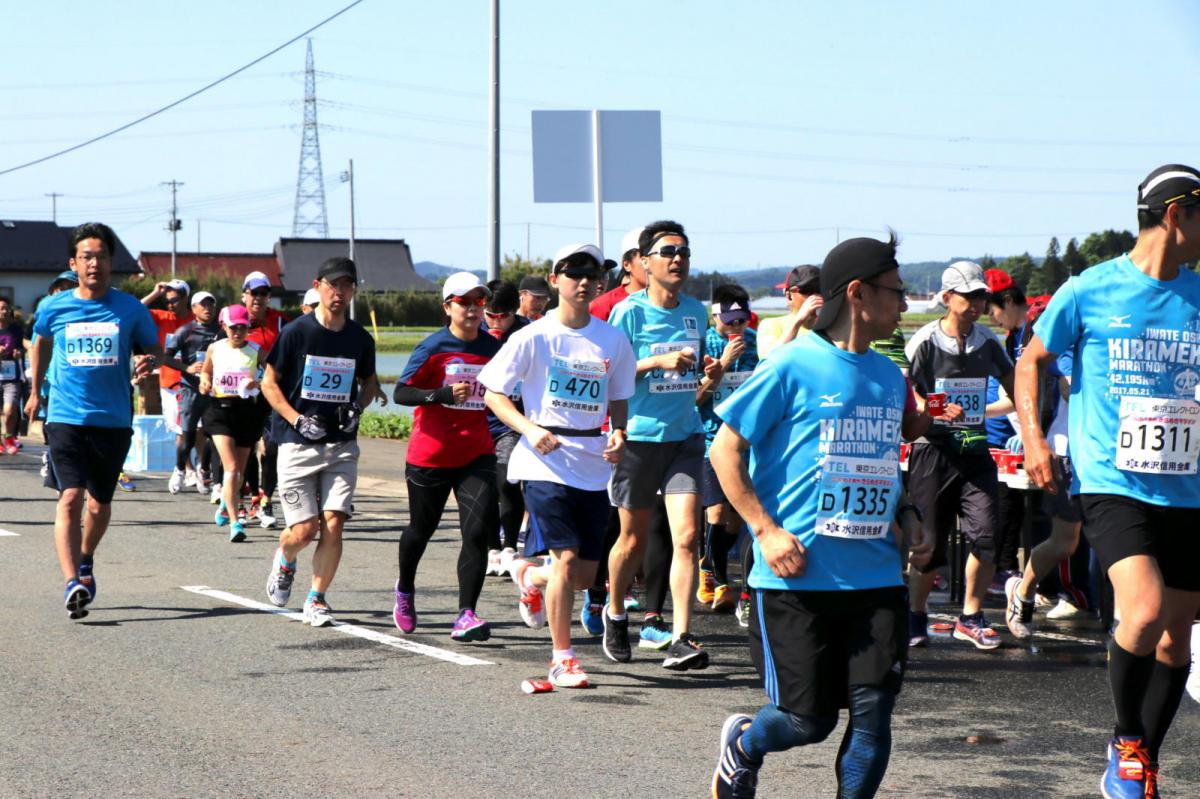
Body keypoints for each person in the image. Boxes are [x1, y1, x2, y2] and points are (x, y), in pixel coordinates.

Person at [708, 234, 930, 799]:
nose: (904, 303)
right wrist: (765, 530)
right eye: (896, 291)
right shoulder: (791, 364)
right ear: (857, 293)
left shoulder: (889, 376)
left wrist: (908, 511)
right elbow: (724, 450)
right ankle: (745, 746)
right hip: (796, 576)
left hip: (876, 576)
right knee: (808, 721)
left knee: (874, 715)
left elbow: (881, 461)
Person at [1015, 164, 1200, 798]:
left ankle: (1144, 758)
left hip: (1188, 486)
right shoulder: (1089, 289)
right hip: (1113, 480)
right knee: (1142, 611)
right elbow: (1032, 361)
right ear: (1175, 215)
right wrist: (1035, 441)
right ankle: (1125, 741)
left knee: (1176, 638)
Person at [479, 243, 636, 688]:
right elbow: (492, 392)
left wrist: (619, 432)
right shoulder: (533, 336)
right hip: (543, 460)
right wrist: (529, 429)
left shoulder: (612, 338)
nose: (583, 281)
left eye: (592, 274)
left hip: (593, 462)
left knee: (583, 575)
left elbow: (619, 395)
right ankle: (562, 658)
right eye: (573, 273)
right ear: (554, 280)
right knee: (566, 559)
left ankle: (529, 575)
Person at [25, 223, 162, 620]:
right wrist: (35, 390)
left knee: (100, 506)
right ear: (74, 263)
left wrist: (147, 362)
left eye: (101, 256)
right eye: (87, 256)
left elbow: (153, 349)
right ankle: (72, 582)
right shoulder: (54, 307)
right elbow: (41, 342)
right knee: (70, 496)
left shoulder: (130, 308)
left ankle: (86, 559)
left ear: (111, 262)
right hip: (65, 415)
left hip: (113, 418)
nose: (94, 263)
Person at [604, 219, 724, 671]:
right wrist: (657, 360)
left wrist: (710, 374)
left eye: (684, 252)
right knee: (632, 540)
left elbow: (695, 379)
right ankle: (615, 611)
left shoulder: (695, 309)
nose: (678, 259)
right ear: (644, 262)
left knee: (688, 537)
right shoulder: (629, 313)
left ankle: (681, 636)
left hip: (685, 437)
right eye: (668, 252)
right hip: (639, 438)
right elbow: (610, 373)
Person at [263, 257, 385, 627]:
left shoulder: (359, 338)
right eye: (333, 285)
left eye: (347, 285)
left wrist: (357, 407)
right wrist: (297, 418)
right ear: (318, 287)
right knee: (304, 531)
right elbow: (268, 383)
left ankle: (316, 598)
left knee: (333, 522)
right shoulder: (296, 333)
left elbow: (369, 383)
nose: (339, 292)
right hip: (297, 443)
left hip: (341, 445)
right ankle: (285, 559)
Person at [904, 261, 1015, 651]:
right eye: (969, 297)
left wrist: (1009, 410)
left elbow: (1013, 381)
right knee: (929, 544)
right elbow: (907, 390)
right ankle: (916, 614)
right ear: (948, 298)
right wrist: (936, 406)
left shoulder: (987, 341)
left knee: (986, 534)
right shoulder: (924, 340)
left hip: (975, 449)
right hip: (931, 450)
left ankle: (970, 616)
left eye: (982, 297)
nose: (977, 305)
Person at [392, 272, 501, 642]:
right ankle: (405, 588)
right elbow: (402, 393)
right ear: (447, 307)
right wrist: (439, 395)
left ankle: (466, 614)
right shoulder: (433, 347)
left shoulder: (492, 347)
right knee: (421, 530)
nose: (472, 309)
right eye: (463, 302)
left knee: (477, 531)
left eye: (478, 302)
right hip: (431, 455)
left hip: (477, 453)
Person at [698, 284, 758, 615]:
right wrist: (722, 363)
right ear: (715, 317)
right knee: (717, 512)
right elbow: (695, 398)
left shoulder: (755, 344)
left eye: (741, 320)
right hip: (710, 439)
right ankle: (721, 584)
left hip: (745, 442)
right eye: (730, 320)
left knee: (736, 521)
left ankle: (708, 563)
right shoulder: (703, 344)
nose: (736, 327)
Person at [199, 305, 266, 543]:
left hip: (246, 411)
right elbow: (205, 372)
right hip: (219, 410)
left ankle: (224, 506)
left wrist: (257, 383)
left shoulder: (256, 350)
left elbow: (272, 376)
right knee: (232, 468)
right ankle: (235, 523)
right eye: (233, 327)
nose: (238, 332)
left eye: (243, 327)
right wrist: (204, 383)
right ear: (224, 326)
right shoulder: (215, 348)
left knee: (239, 473)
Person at [481, 279, 529, 576]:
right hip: (480, 420)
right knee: (485, 488)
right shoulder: (474, 330)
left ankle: (510, 545)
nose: (496, 322)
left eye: (504, 316)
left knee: (507, 481)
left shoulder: (528, 334)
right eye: (491, 315)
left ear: (515, 310)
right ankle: (491, 548)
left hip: (513, 421)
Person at [240, 271, 289, 528]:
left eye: (263, 293)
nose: (258, 298)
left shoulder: (281, 322)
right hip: (244, 397)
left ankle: (267, 500)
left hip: (273, 394)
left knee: (271, 450)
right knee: (247, 450)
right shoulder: (234, 321)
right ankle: (251, 499)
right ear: (244, 295)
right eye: (253, 293)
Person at [163, 291, 221, 495]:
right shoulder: (185, 330)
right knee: (187, 436)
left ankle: (203, 472)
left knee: (213, 436)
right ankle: (180, 469)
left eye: (211, 304)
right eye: (202, 305)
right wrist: (186, 368)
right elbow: (165, 357)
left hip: (214, 391)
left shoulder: (222, 330)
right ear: (194, 309)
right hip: (190, 390)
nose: (207, 308)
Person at [142, 279, 194, 486]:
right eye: (167, 301)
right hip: (170, 381)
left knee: (196, 428)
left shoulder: (195, 317)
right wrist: (155, 294)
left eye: (174, 300)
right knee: (179, 429)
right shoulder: (161, 316)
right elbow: (135, 309)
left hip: (194, 381)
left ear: (186, 298)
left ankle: (194, 468)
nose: (170, 304)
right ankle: (187, 467)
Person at [756, 265, 822, 358]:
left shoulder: (830, 326)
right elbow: (769, 360)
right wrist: (797, 322)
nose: (815, 296)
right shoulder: (771, 325)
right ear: (789, 296)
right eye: (808, 291)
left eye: (820, 290)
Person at [590, 227, 647, 323]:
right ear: (627, 265)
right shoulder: (604, 305)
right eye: (644, 257)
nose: (651, 263)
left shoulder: (672, 301)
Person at [0, 296, 26, 454]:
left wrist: (18, 353)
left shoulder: (16, 329)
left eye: (6, 308)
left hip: (12, 376)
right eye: (1, 308)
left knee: (10, 410)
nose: (4, 311)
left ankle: (9, 437)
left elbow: (22, 347)